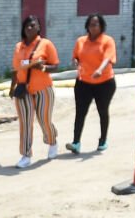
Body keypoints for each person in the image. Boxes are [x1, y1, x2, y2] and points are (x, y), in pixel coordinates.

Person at [10, 15, 59, 168]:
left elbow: (55, 66)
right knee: (25, 123)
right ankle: (25, 155)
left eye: (33, 25)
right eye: (27, 26)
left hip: (43, 89)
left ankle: (52, 142)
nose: (29, 28)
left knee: (44, 120)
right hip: (23, 90)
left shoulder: (46, 44)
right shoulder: (19, 47)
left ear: (39, 27)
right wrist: (12, 88)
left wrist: (43, 67)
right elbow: (16, 69)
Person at [69, 14, 117, 155]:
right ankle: (76, 142)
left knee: (102, 111)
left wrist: (99, 70)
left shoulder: (107, 41)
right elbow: (76, 56)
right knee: (80, 112)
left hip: (104, 82)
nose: (93, 27)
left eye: (96, 24)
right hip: (83, 82)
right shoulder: (81, 41)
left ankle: (102, 140)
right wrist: (75, 62)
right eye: (91, 24)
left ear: (101, 26)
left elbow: (108, 58)